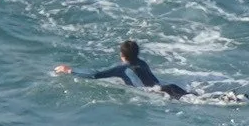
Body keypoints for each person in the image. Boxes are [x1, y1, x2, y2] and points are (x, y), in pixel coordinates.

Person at [55, 40, 188, 99]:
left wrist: (69, 70)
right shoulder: (142, 63)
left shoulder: (123, 68)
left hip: (158, 94)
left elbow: (95, 75)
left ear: (122, 55)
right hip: (170, 88)